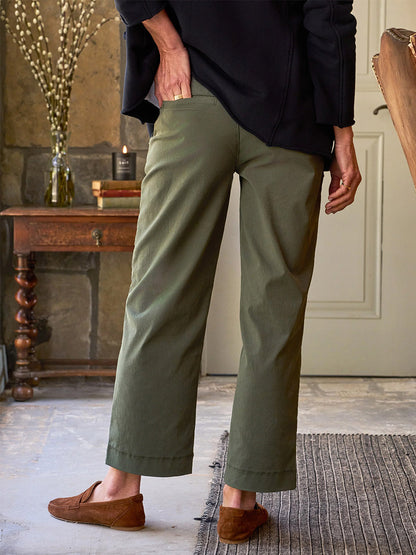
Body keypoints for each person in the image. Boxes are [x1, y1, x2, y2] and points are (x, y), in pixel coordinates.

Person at [48, 0, 361, 545]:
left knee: (161, 294)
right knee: (275, 310)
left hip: (193, 91)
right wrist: (343, 132)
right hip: (289, 112)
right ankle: (241, 500)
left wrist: (170, 46)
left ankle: (120, 489)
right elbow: (328, 15)